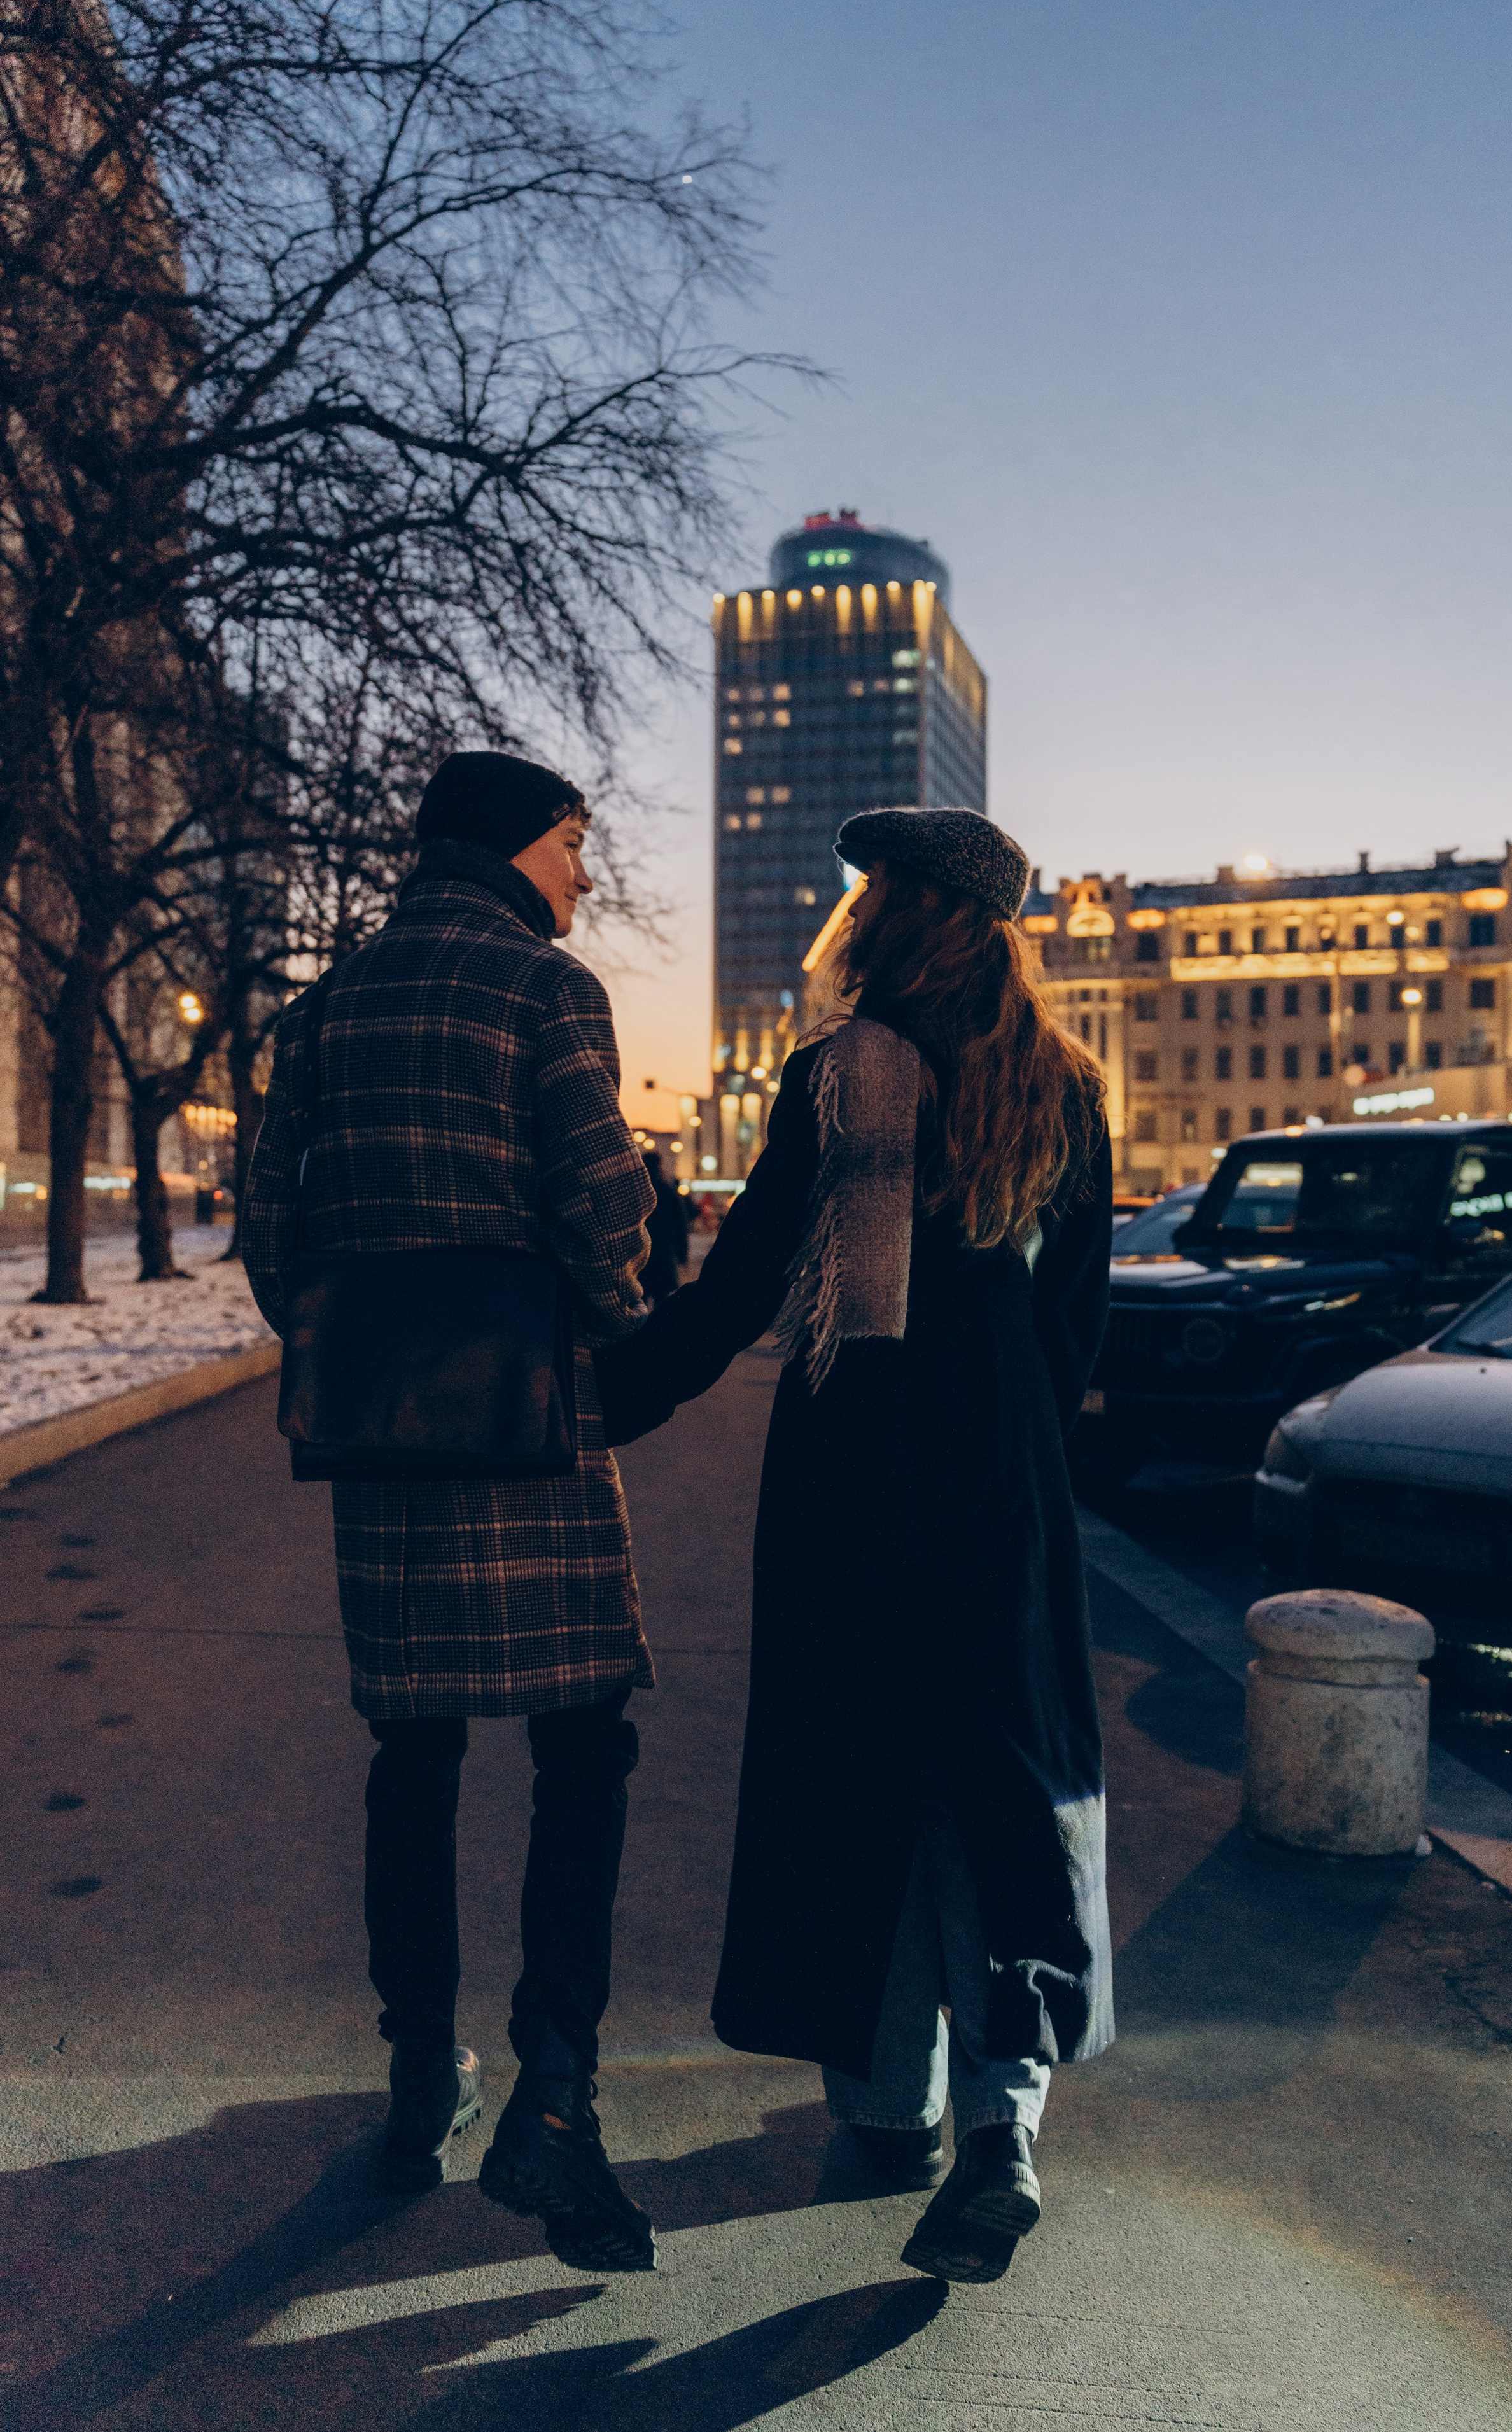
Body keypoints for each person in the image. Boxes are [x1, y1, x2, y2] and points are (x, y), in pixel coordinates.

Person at [596, 806, 1115, 2287]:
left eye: (867, 888)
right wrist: (1021, 1452)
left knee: (860, 1773)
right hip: (1001, 1484)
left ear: (900, 914)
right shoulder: (1064, 1086)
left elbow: (750, 1277)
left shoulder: (842, 1072)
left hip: (853, 1475)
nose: (851, 907)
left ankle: (890, 2100)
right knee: (1000, 1788)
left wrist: (615, 1392)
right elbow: (1076, 1322)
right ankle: (1003, 2132)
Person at [243, 751, 660, 2271]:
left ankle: (420, 2072)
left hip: (386, 1437)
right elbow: (602, 1218)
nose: (584, 873)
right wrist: (618, 1313)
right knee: (583, 1742)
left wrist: (361, 1344)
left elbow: (271, 1234)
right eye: (572, 842)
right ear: (512, 848)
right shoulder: (548, 996)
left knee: (411, 1751)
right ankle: (556, 2083)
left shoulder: (326, 1006)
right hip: (531, 1424)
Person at [638, 1146, 690, 1301]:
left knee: (640, 1299)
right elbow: (681, 1224)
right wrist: (682, 1253)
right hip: (664, 1252)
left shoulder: (638, 1191)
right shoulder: (668, 1191)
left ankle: (643, 1326)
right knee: (662, 1300)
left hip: (641, 1255)